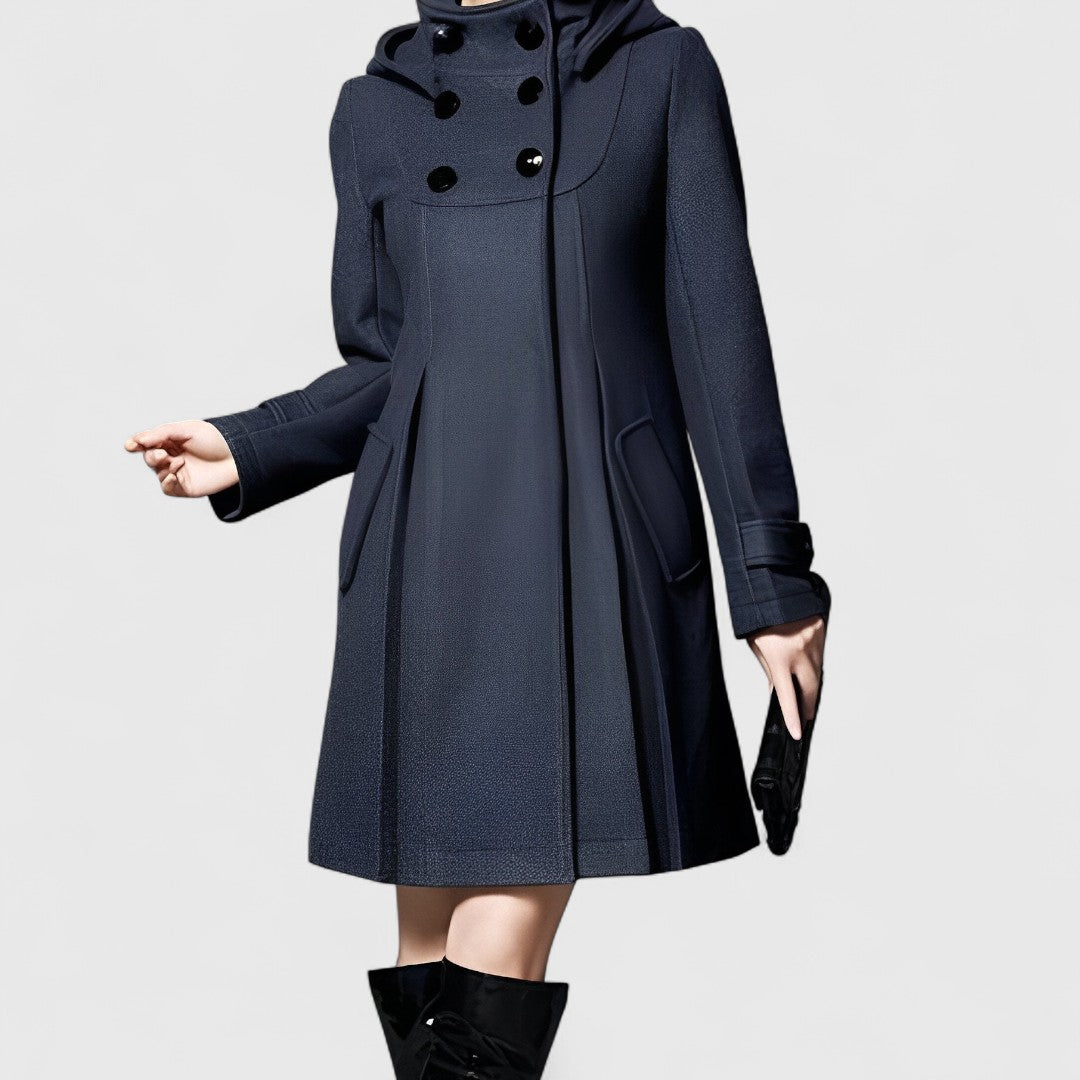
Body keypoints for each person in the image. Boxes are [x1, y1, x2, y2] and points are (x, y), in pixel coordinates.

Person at [124, 0, 829, 1075]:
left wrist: (770, 577)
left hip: (591, 539)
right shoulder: (375, 109)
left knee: (493, 944)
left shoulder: (657, 71)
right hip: (427, 551)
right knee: (427, 965)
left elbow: (719, 333)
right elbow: (388, 362)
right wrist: (250, 444)